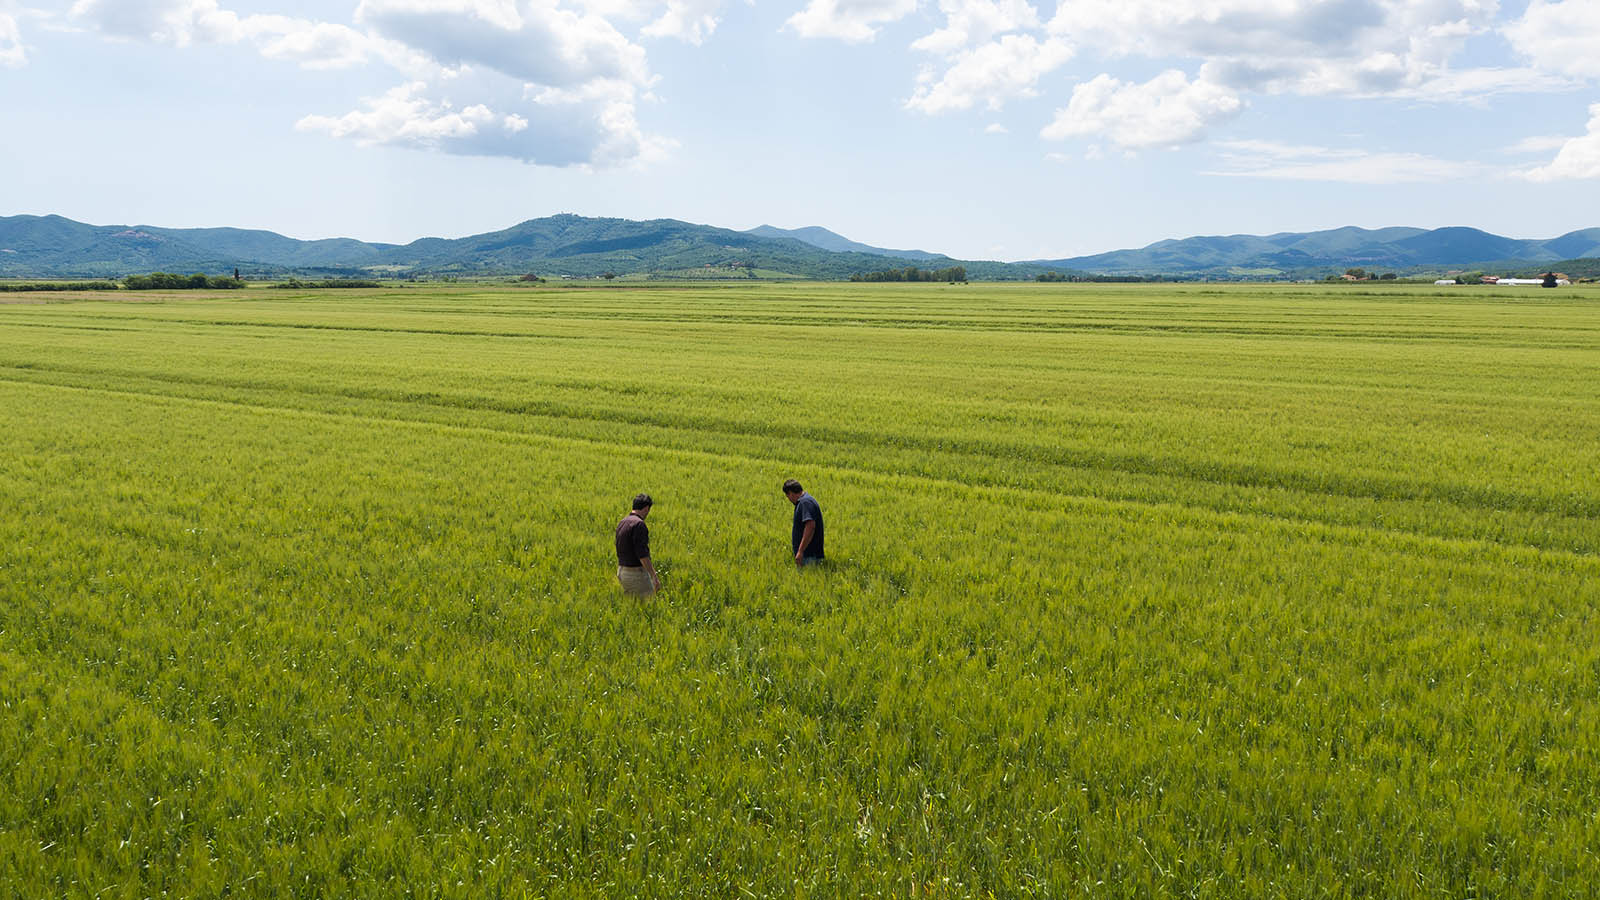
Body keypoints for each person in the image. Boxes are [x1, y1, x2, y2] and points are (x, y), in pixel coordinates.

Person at [615, 493, 660, 595]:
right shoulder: (639, 524)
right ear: (646, 508)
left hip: (622, 571)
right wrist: (654, 576)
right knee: (647, 602)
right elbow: (642, 554)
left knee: (632, 603)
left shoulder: (622, 522)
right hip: (635, 574)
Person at [782, 479, 824, 566]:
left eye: (787, 496)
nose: (788, 499)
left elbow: (810, 526)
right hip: (809, 555)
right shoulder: (806, 500)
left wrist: (800, 551)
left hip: (809, 555)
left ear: (791, 493)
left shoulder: (805, 503)